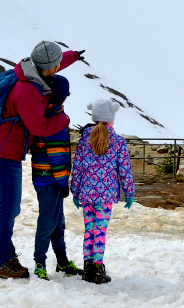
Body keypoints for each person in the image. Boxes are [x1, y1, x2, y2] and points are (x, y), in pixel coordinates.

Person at [0, 40, 83, 279]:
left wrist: (74, 56)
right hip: (3, 153)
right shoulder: (28, 90)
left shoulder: (31, 68)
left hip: (1, 148)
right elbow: (40, 127)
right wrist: (65, 120)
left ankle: (6, 255)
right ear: (48, 67)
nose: (58, 67)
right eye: (57, 64)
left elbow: (54, 62)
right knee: (7, 209)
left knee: (8, 207)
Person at [71, 99, 134, 284]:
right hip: (106, 196)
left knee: (88, 230)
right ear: (111, 118)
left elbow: (78, 168)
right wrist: (129, 193)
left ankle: (88, 267)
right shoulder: (118, 142)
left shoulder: (84, 140)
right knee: (100, 231)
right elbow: (125, 170)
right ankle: (98, 268)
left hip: (87, 193)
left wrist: (75, 192)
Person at [30, 74, 84, 280]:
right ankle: (40, 263)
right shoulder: (56, 118)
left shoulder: (44, 113)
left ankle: (61, 261)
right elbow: (56, 153)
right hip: (50, 179)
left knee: (57, 221)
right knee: (47, 221)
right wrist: (63, 183)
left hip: (44, 177)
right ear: (65, 95)